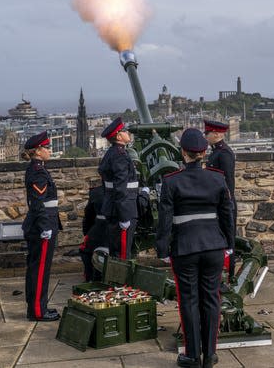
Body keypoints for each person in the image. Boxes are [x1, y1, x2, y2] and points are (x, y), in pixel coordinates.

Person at [156, 128, 234, 368]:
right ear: (203, 153)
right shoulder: (217, 178)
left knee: (189, 300)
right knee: (212, 298)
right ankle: (210, 354)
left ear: (183, 153)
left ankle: (192, 354)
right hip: (213, 246)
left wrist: (163, 250)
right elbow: (227, 214)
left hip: (185, 248)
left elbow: (165, 221)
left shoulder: (171, 181)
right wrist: (229, 244)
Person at [21, 131, 62, 321]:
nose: (49, 150)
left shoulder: (38, 168)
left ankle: (38, 308)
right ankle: (38, 311)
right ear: (38, 151)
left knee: (37, 268)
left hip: (41, 223)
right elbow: (38, 203)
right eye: (46, 147)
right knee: (40, 270)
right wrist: (46, 227)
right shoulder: (38, 171)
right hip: (42, 225)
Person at [98, 117, 139, 260]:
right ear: (119, 136)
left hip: (114, 208)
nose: (128, 132)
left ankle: (119, 282)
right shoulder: (119, 156)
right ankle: (121, 283)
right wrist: (124, 216)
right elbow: (120, 187)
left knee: (118, 252)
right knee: (122, 255)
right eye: (124, 130)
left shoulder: (113, 153)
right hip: (123, 209)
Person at [204, 119, 237, 285]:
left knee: (227, 238)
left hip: (224, 203)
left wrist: (225, 203)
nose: (206, 136)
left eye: (207, 133)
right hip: (217, 203)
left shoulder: (223, 153)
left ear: (216, 134)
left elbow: (227, 182)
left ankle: (229, 275)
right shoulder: (216, 152)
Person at [79, 183, 107, 282]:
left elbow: (88, 216)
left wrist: (87, 234)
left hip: (99, 232)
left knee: (86, 251)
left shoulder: (96, 192)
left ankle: (90, 279)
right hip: (116, 232)